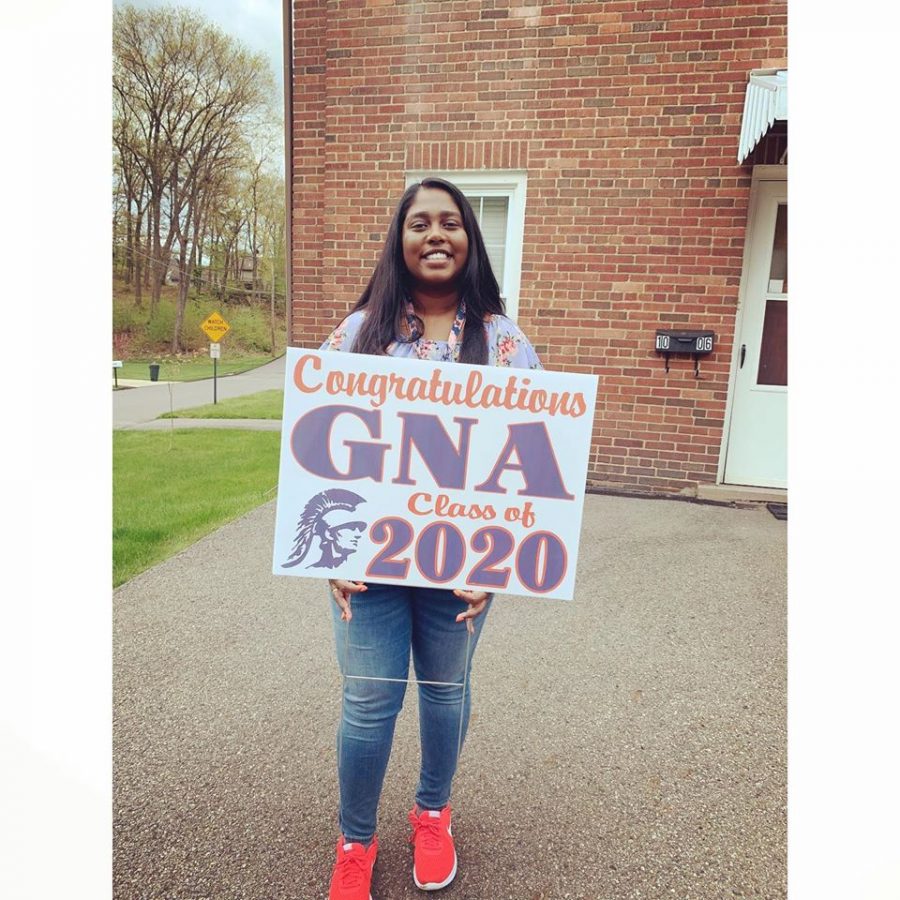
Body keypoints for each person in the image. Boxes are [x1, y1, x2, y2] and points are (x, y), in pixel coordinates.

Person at [320, 177, 542, 900]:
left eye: (451, 222)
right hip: (370, 568)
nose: (436, 234)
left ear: (471, 240)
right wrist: (331, 553)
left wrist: (499, 563)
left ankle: (432, 811)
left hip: (462, 572)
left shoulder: (505, 344)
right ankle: (356, 840)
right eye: (420, 223)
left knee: (446, 693)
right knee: (368, 700)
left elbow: (536, 465)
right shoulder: (358, 336)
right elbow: (316, 450)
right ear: (401, 239)